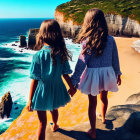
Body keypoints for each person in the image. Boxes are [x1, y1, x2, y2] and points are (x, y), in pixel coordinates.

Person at [70, 8, 122, 139]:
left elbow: (82, 62)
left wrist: (74, 80)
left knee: (92, 104)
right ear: (102, 21)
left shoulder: (86, 41)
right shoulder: (110, 39)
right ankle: (104, 118)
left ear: (88, 22)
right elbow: (115, 58)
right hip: (107, 73)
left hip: (92, 75)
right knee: (104, 98)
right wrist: (118, 73)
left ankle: (93, 130)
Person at [26, 19, 76, 140]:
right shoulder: (61, 53)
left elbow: (35, 79)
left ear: (42, 35)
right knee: (54, 109)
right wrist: (72, 87)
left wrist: (30, 100)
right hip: (57, 87)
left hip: (42, 91)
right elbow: (65, 74)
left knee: (42, 123)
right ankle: (55, 125)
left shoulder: (37, 56)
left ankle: (52, 126)